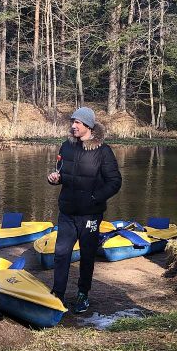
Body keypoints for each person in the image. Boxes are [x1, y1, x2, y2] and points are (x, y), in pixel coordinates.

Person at [46, 107, 122, 314]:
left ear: (88, 125)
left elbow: (115, 182)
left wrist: (95, 198)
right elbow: (60, 173)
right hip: (67, 211)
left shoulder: (103, 151)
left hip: (90, 214)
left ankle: (83, 294)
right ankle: (58, 293)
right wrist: (53, 179)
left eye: (78, 123)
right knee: (61, 254)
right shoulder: (66, 147)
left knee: (87, 256)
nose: (73, 126)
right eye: (72, 122)